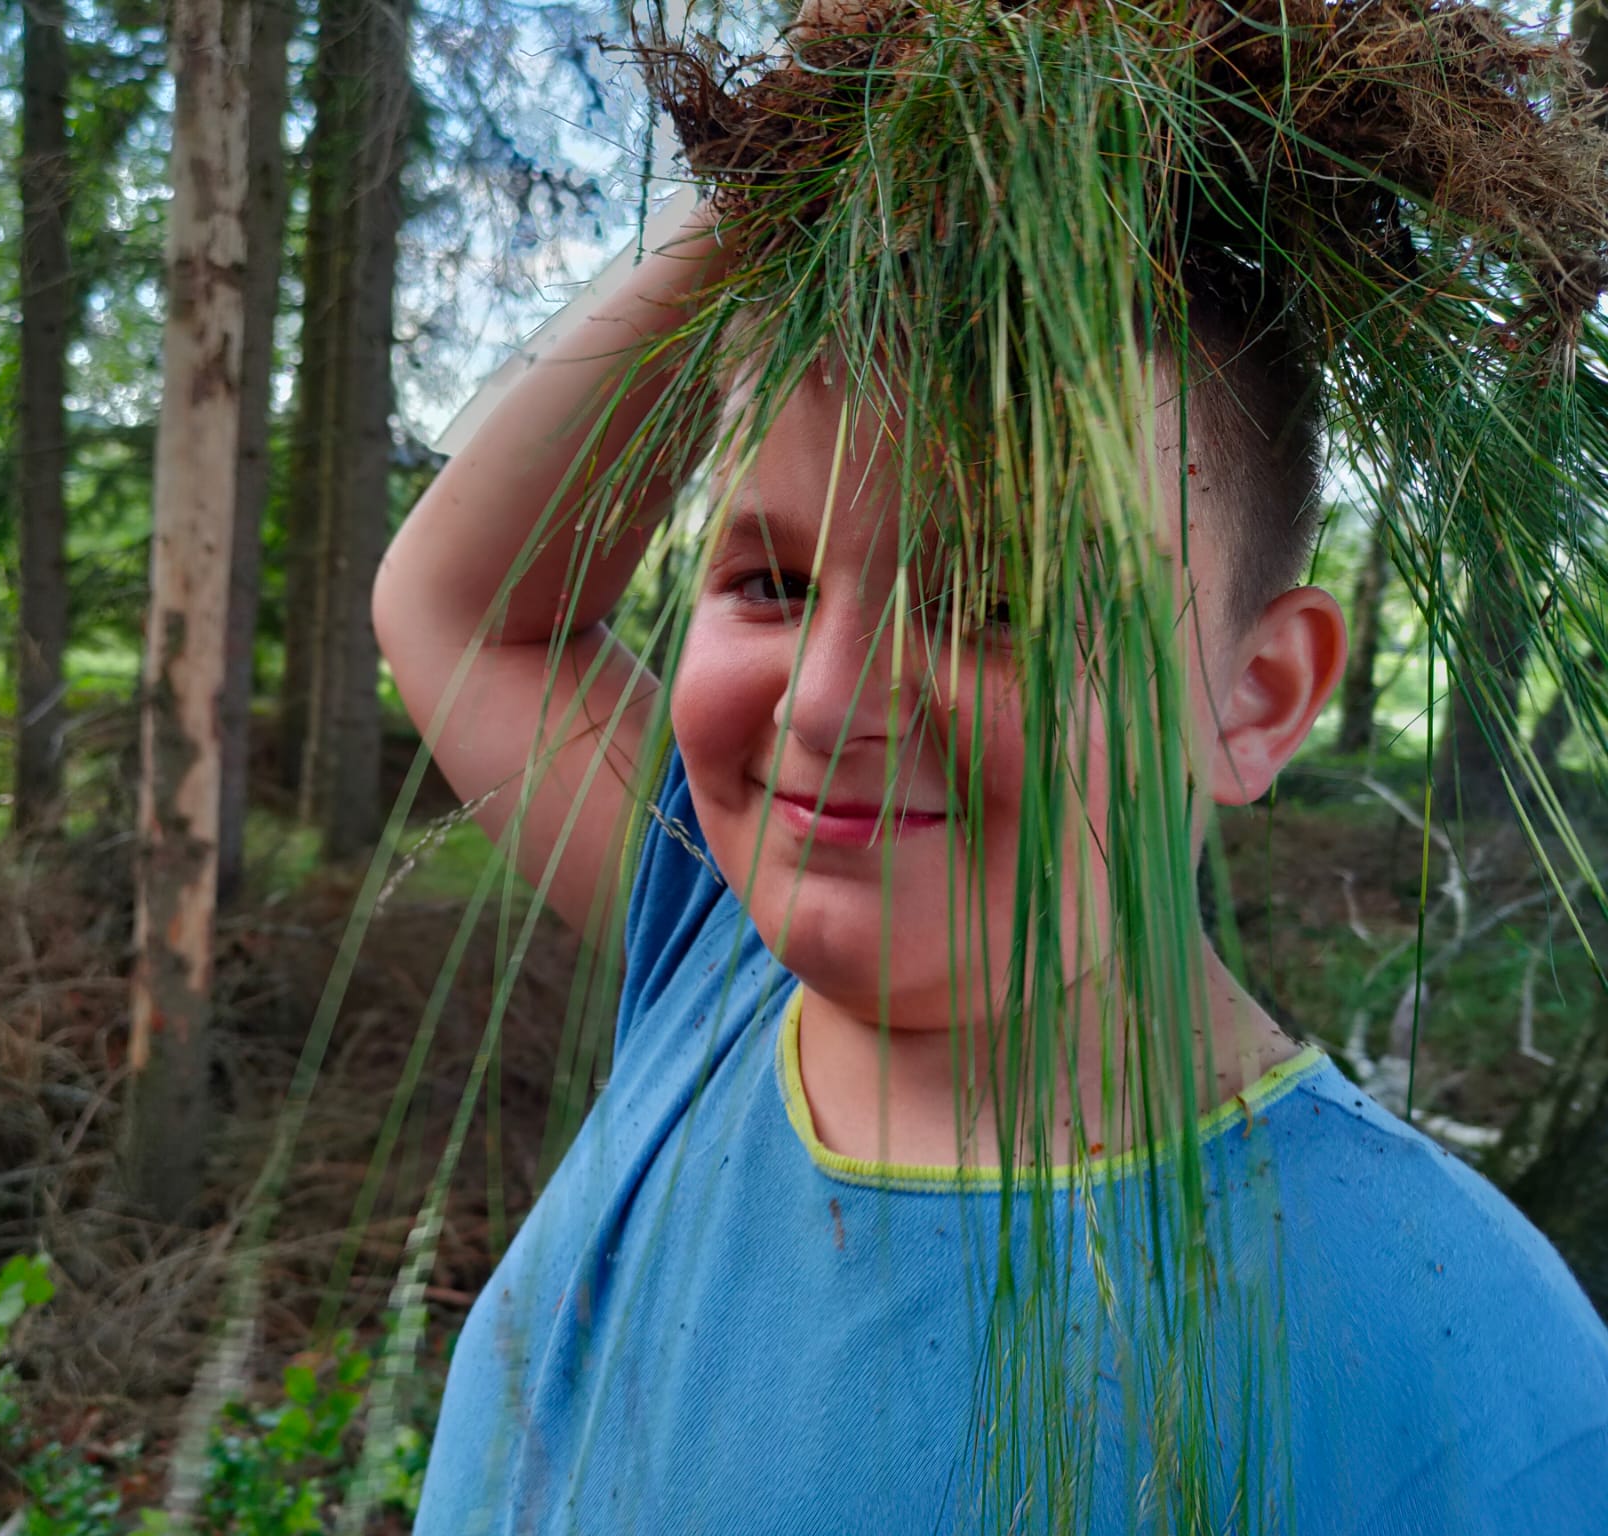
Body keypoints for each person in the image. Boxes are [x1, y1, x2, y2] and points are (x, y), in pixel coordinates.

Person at [372, 61, 1608, 1536]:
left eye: (1001, 601)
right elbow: (464, 605)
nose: (825, 703)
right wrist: (780, 156)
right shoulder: (715, 953)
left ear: (1256, 697)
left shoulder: (1469, 1367)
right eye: (771, 581)